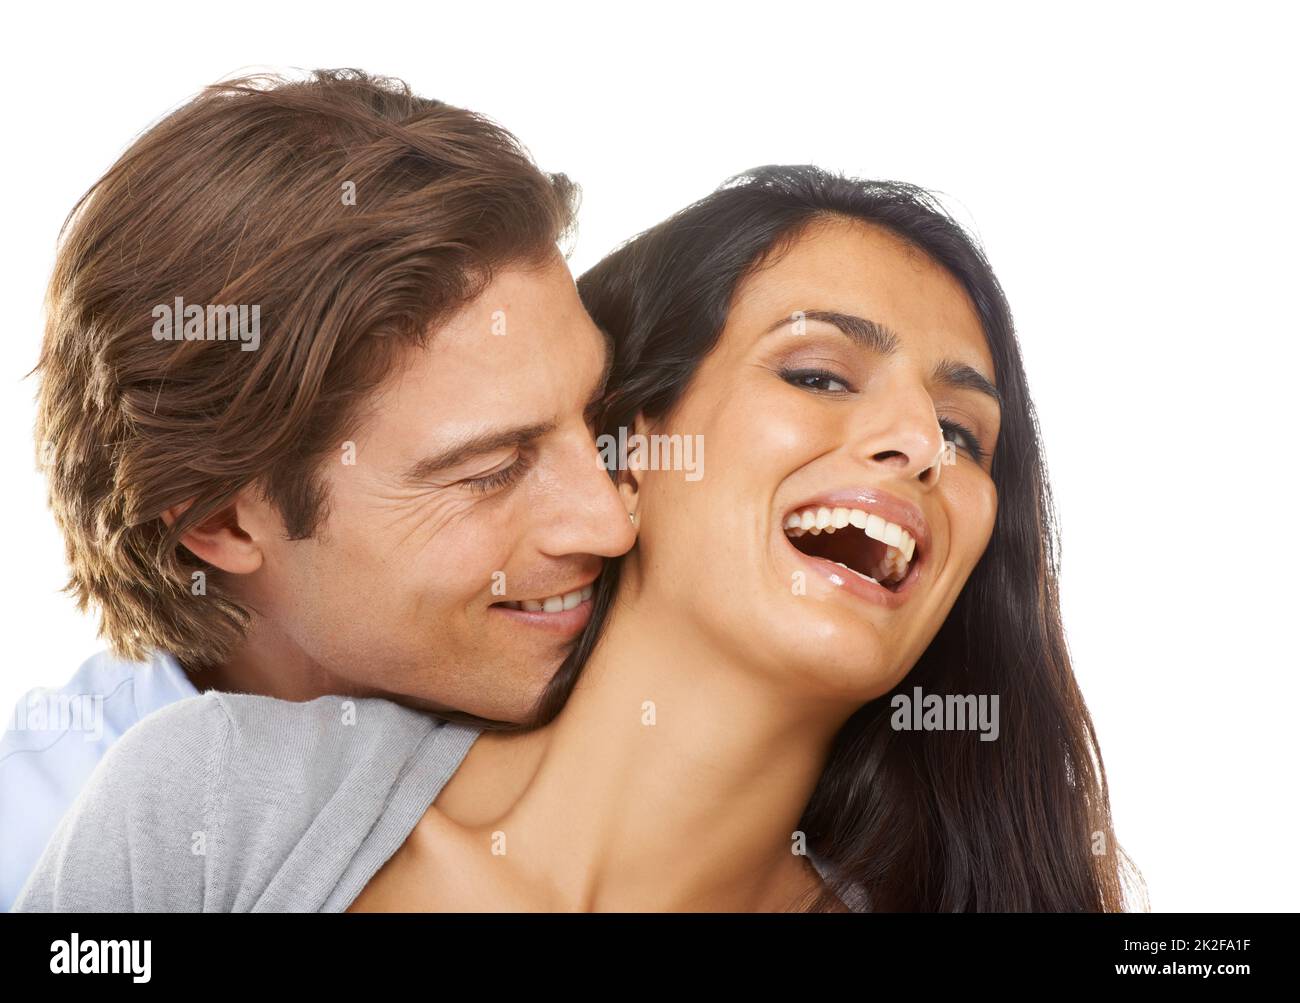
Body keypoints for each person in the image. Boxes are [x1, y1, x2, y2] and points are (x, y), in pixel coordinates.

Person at [14, 166, 1141, 912]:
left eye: (964, 432)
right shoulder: (210, 803)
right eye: (815, 373)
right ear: (623, 445)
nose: (917, 444)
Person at [0, 69, 635, 910]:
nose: (610, 519)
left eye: (595, 416)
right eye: (490, 470)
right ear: (221, 520)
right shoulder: (46, 853)